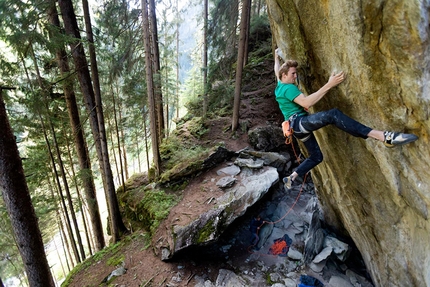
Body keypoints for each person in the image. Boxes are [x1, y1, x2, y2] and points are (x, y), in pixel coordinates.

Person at [273, 48, 418, 189]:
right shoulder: (289, 88)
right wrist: (330, 84)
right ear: (284, 75)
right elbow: (307, 103)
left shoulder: (279, 85)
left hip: (297, 130)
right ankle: (382, 136)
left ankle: (292, 176)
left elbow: (276, 69)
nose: (295, 76)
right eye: (293, 74)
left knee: (317, 157)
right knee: (333, 115)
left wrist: (276, 56)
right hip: (299, 123)